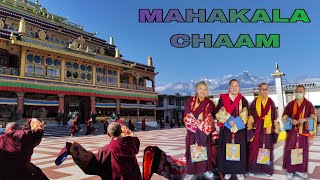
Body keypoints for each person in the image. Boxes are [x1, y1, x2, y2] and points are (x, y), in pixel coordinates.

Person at [56, 122, 141, 180]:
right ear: (121, 132)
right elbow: (134, 138)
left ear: (108, 134)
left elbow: (92, 166)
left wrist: (73, 150)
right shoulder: (132, 144)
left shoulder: (105, 151)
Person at [214, 79, 249, 180]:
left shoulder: (243, 100)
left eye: (237, 86)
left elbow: (245, 113)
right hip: (226, 129)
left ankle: (239, 172)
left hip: (239, 130)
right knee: (226, 149)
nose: (234, 88)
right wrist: (229, 120)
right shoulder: (223, 98)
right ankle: (228, 171)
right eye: (232, 86)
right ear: (229, 87)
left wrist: (236, 123)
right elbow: (218, 111)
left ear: (239, 87)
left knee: (240, 149)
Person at [282, 85, 317, 179]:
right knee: (290, 150)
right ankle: (290, 171)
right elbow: (284, 116)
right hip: (292, 132)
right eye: (297, 91)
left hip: (303, 132)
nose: (299, 93)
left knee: (302, 151)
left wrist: (305, 119)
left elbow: (313, 117)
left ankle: (300, 170)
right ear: (295, 92)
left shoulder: (309, 104)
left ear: (304, 93)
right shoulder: (290, 104)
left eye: (301, 92)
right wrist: (290, 120)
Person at [183, 81, 215, 179]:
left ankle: (205, 170)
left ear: (207, 91)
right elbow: (187, 115)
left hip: (203, 132)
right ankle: (191, 172)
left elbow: (210, 117)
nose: (203, 91)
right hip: (192, 131)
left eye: (205, 89)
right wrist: (198, 122)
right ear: (197, 89)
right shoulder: (190, 101)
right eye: (201, 88)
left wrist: (202, 121)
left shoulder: (209, 103)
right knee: (192, 149)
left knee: (204, 150)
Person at [247, 83, 280, 177]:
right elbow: (250, 117)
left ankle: (266, 170)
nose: (264, 91)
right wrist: (250, 130)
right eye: (262, 89)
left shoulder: (271, 102)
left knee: (266, 149)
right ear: (259, 90)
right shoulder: (254, 103)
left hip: (267, 129)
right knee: (254, 149)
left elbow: (274, 118)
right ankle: (253, 169)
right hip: (256, 129)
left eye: (266, 89)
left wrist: (276, 131)